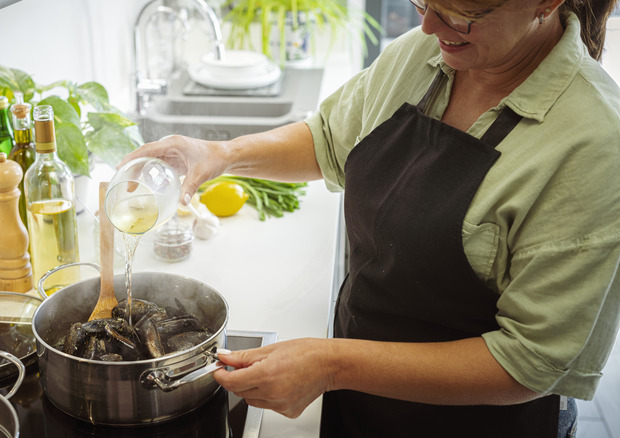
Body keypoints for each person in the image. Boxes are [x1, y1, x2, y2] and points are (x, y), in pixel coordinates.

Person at [120, 0, 620, 435]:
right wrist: (219, 154)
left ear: (545, 2)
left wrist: (333, 364)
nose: (428, 27)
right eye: (424, 2)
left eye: (461, 15)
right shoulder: (424, 53)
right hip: (360, 407)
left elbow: (529, 363)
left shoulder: (593, 144)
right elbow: (328, 139)